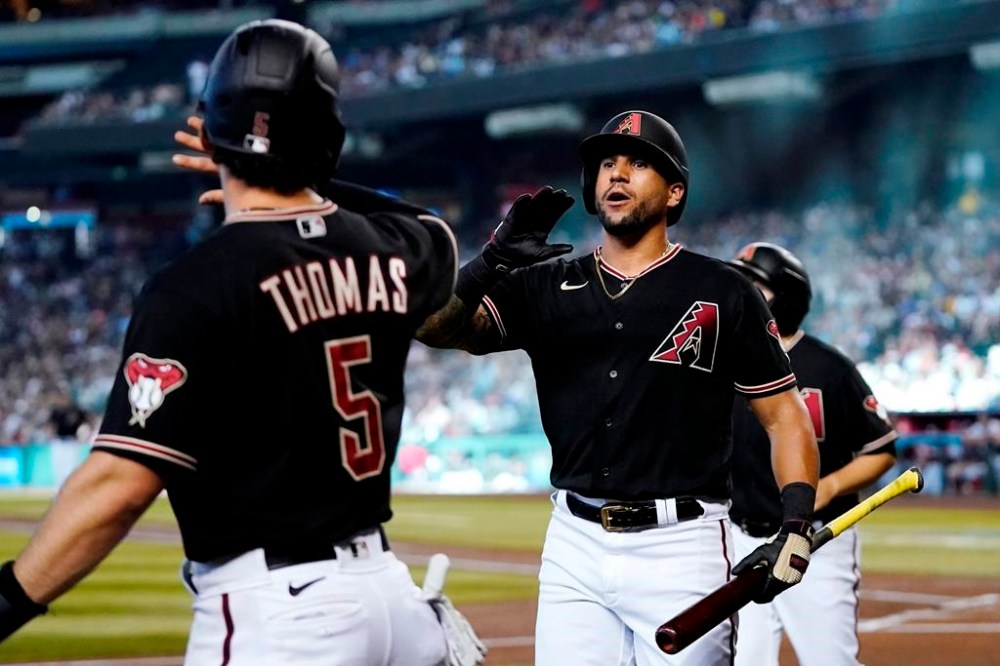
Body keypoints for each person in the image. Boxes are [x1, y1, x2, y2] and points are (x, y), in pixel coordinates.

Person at [0, 19, 485, 666]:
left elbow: (117, 486)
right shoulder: (398, 249)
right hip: (393, 602)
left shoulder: (192, 287)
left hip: (279, 615)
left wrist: (7, 599)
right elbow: (430, 229)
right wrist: (307, 177)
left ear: (213, 133)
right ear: (328, 137)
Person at [416, 109, 820, 665]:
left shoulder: (724, 291)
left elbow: (785, 416)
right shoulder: (543, 283)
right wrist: (490, 263)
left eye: (638, 163)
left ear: (674, 192)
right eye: (607, 163)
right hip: (573, 545)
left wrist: (796, 524)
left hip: (682, 547)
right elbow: (434, 328)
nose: (617, 173)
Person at [727, 242, 898, 666]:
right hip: (741, 539)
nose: (742, 292)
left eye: (754, 284)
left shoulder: (830, 368)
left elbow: (882, 448)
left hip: (816, 542)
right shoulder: (724, 362)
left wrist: (833, 484)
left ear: (784, 297)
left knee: (830, 662)